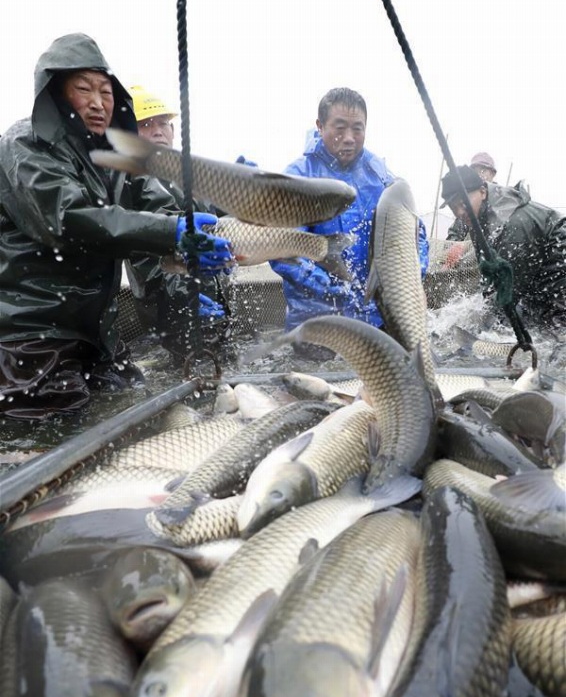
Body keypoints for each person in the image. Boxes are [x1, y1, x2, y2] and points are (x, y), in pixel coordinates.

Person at [0, 33, 233, 420]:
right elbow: (69, 218)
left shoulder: (113, 157)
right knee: (52, 438)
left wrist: (202, 231)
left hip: (99, 338)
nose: (97, 103)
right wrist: (169, 235)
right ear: (55, 95)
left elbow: (157, 205)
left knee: (138, 409)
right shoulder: (27, 145)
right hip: (33, 336)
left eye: (106, 92)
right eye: (83, 89)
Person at [270, 88, 428, 357]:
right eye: (339, 128)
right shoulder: (298, 177)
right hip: (317, 323)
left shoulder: (380, 175)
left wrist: (407, 280)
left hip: (377, 319)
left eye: (358, 129)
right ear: (320, 126)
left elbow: (415, 233)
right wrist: (338, 291)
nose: (349, 139)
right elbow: (284, 253)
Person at [125, 85, 229, 360]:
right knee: (192, 369)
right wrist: (185, 296)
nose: (158, 130)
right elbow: (151, 263)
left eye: (163, 123)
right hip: (175, 309)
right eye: (145, 124)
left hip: (209, 305)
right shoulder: (132, 179)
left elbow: (216, 219)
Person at [440, 164, 566, 326]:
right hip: (536, 258)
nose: (459, 212)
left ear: (483, 192)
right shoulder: (476, 216)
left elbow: (509, 288)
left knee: (554, 324)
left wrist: (476, 320)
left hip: (558, 253)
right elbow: (489, 275)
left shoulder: (510, 224)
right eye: (453, 207)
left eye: (462, 203)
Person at [448, 152, 498, 241]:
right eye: (474, 171)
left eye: (483, 170)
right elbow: (455, 233)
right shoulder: (467, 203)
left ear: (493, 174)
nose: (479, 175)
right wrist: (456, 246)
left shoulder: (500, 201)